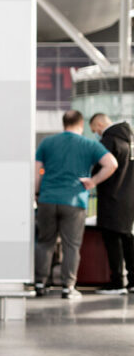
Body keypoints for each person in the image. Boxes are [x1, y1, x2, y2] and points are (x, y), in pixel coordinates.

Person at [34, 110, 118, 299]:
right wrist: (93, 181)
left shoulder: (47, 143)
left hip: (47, 198)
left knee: (45, 243)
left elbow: (36, 170)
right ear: (81, 124)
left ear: (64, 123)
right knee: (71, 245)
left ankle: (40, 284)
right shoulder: (89, 144)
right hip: (74, 200)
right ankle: (68, 287)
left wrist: (37, 193)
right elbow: (111, 163)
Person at [89, 113, 134, 294]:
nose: (96, 133)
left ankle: (117, 282)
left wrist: (92, 179)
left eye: (94, 130)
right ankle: (132, 281)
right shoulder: (130, 140)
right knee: (128, 238)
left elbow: (100, 166)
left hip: (112, 197)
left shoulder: (109, 141)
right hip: (130, 198)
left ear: (100, 124)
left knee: (112, 238)